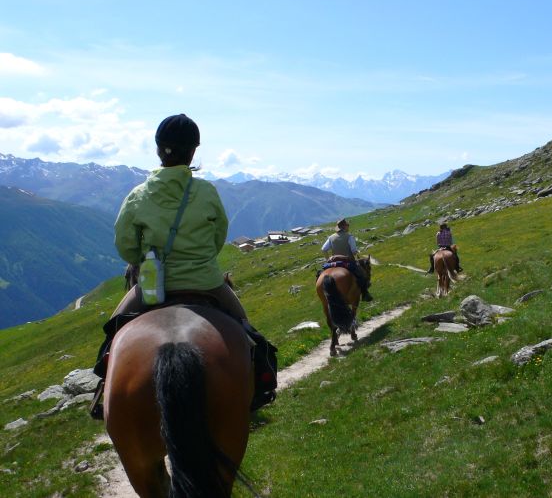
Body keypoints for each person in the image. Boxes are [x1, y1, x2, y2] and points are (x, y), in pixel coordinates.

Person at [90, 114, 276, 418]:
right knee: (249, 334)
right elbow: (219, 236)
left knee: (112, 336)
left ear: (158, 149)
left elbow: (124, 244)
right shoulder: (207, 192)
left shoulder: (138, 195)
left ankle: (103, 392)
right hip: (206, 283)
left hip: (152, 288)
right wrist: (200, 260)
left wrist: (145, 262)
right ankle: (263, 382)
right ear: (193, 151)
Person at [321, 218, 373, 301]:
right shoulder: (349, 237)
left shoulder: (331, 237)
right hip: (347, 261)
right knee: (361, 276)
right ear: (345, 227)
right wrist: (358, 254)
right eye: (347, 225)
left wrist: (328, 260)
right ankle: (365, 294)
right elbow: (354, 251)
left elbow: (323, 249)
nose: (348, 227)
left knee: (320, 274)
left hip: (334, 262)